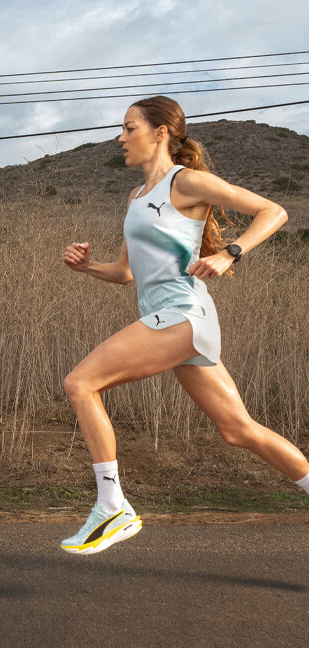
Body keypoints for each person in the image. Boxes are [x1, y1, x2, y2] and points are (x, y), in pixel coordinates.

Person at [60, 95, 309, 554]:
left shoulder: (187, 181)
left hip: (182, 315)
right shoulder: (137, 196)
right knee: (238, 430)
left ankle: (112, 507)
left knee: (80, 383)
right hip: (174, 323)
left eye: (129, 128)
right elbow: (126, 273)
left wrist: (230, 252)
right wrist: (88, 266)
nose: (121, 138)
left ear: (160, 133)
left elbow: (274, 211)